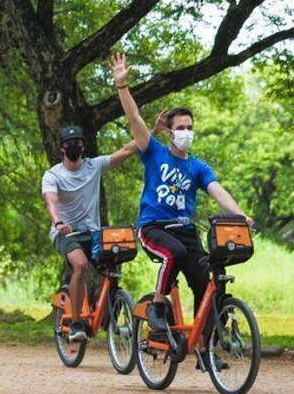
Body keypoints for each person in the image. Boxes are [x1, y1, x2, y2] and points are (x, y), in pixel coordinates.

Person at [110, 53, 252, 333]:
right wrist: (122, 86)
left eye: (190, 128)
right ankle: (158, 305)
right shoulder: (153, 152)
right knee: (172, 253)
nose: (186, 132)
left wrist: (239, 215)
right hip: (153, 228)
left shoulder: (199, 167)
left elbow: (217, 191)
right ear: (169, 132)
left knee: (204, 279)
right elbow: (135, 118)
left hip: (186, 231)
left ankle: (207, 342)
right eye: (180, 128)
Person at [42, 126, 137, 342]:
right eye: (69, 143)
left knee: (113, 265)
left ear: (83, 145)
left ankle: (104, 316)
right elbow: (51, 200)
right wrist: (58, 222)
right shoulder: (53, 174)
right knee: (81, 265)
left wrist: (152, 132)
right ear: (62, 148)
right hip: (66, 233)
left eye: (77, 142)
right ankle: (76, 323)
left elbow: (125, 151)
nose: (73, 146)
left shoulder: (93, 166)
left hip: (93, 233)